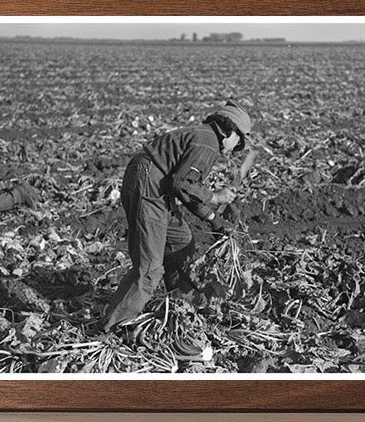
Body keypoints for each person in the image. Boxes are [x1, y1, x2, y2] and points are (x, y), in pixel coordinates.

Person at [103, 98, 253, 333]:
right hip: (149, 186)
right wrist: (216, 197)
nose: (235, 150)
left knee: (181, 244)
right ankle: (111, 328)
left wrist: (213, 220)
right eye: (238, 142)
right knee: (150, 267)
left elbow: (185, 190)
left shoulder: (204, 137)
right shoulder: (207, 143)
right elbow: (183, 184)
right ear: (229, 131)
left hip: (158, 187)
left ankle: (184, 309)